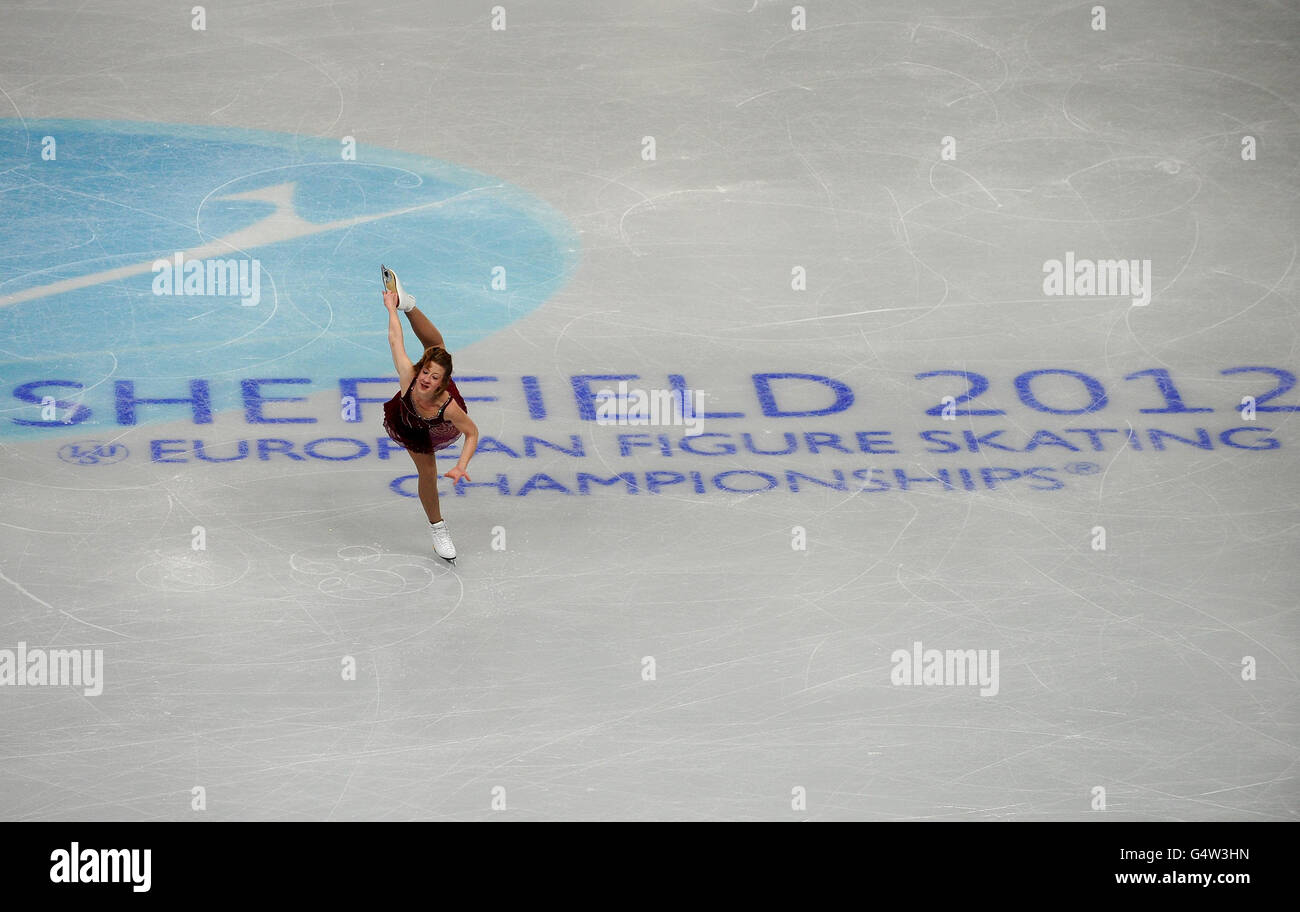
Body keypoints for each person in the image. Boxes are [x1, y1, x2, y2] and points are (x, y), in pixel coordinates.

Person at [380, 281, 478, 564]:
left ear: (442, 384)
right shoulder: (410, 377)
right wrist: (391, 309)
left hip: (434, 419)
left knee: (438, 349)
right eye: (426, 372)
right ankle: (407, 305)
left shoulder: (450, 408)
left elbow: (472, 433)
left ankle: (409, 304)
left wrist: (461, 465)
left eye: (434, 378)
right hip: (408, 423)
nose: (426, 379)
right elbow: (395, 339)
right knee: (435, 350)